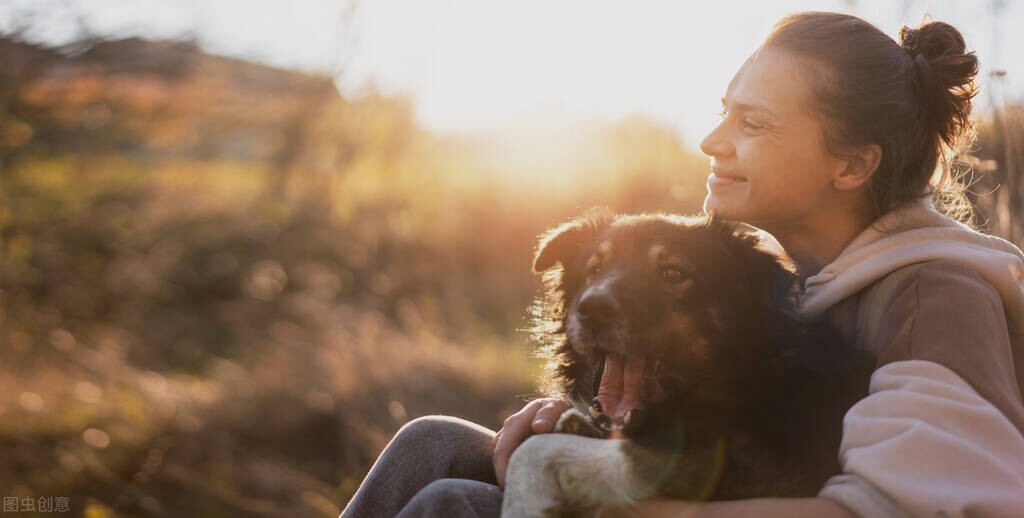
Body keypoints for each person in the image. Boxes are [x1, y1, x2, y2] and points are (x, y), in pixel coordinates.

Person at [340, 12, 1024, 517]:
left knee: (453, 503)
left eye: (752, 125)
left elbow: (901, 509)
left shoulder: (936, 295)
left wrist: (641, 507)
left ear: (852, 164)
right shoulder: (813, 275)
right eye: (724, 114)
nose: (710, 141)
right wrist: (594, 428)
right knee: (432, 444)